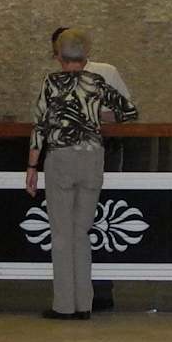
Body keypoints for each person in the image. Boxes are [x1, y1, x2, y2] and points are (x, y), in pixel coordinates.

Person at [25, 28, 137, 321]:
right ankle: (84, 304)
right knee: (81, 233)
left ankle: (64, 305)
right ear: (86, 54)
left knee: (62, 234)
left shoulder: (51, 83)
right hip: (93, 159)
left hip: (61, 160)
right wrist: (94, 113)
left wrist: (32, 166)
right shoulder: (97, 82)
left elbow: (39, 127)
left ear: (59, 56)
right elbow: (129, 112)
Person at [53, 26, 131, 310]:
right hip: (68, 157)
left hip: (101, 154)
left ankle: (98, 292)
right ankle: (75, 296)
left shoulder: (105, 72)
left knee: (99, 220)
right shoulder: (55, 81)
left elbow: (125, 112)